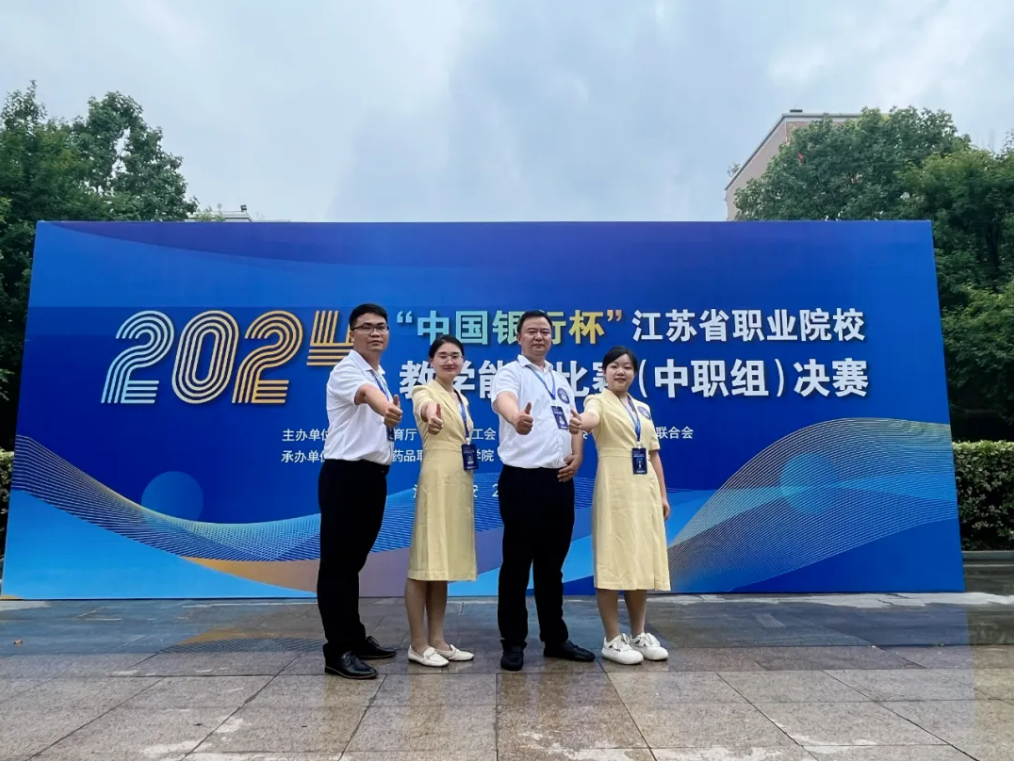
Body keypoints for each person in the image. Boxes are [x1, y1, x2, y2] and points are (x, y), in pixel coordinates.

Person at [491, 310, 595, 671]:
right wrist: (516, 417)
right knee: (517, 565)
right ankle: (513, 642)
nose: (539, 337)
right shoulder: (510, 373)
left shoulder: (560, 378)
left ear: (552, 338)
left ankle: (555, 638)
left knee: (552, 567)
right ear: (519, 337)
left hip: (560, 481)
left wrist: (578, 455)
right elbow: (503, 400)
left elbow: (573, 422)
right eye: (532, 331)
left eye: (545, 332)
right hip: (523, 481)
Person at [318, 303, 403, 679]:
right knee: (338, 565)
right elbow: (367, 395)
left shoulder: (378, 373)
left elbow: (374, 391)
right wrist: (387, 409)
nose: (375, 333)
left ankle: (353, 635)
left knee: (352, 562)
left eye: (381, 326)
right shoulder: (347, 370)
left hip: (371, 477)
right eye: (366, 327)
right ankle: (338, 650)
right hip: (346, 476)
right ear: (351, 334)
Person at [572, 345, 671, 665]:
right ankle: (613, 638)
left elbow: (653, 453)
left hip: (644, 489)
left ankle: (639, 633)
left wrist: (662, 495)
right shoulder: (597, 401)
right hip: (615, 487)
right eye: (614, 366)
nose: (620, 371)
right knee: (613, 559)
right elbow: (589, 419)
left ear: (634, 373)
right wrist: (579, 423)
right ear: (604, 372)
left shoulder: (642, 408)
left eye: (627, 367)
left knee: (639, 559)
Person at [405, 335, 478, 667]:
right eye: (443, 356)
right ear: (431, 361)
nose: (450, 361)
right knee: (424, 561)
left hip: (459, 480)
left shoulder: (461, 397)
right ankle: (418, 644)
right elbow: (425, 407)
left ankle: (438, 639)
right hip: (436, 478)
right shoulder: (424, 391)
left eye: (456, 356)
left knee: (441, 563)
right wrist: (430, 414)